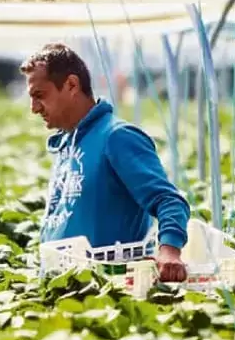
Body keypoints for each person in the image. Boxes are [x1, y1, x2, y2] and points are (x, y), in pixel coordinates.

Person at [21, 43, 190, 283]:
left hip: (108, 288)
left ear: (71, 85)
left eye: (39, 95)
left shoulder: (117, 137)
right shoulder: (68, 142)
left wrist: (170, 251)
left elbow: (168, 200)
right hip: (65, 284)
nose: (34, 108)